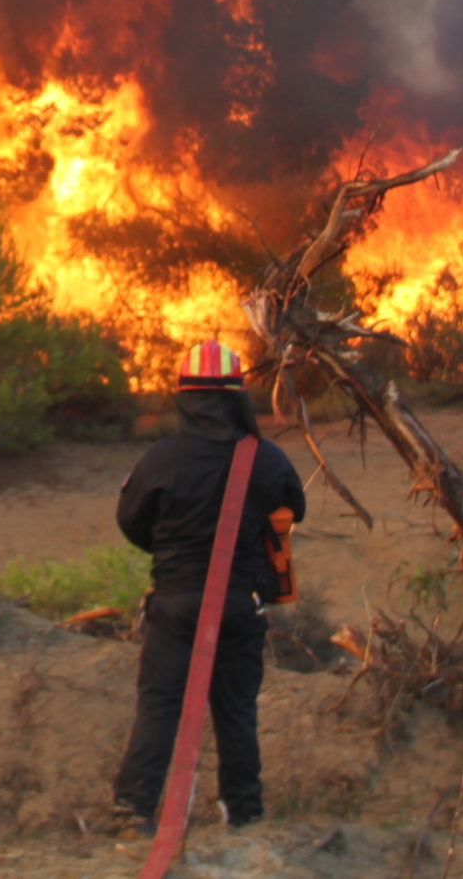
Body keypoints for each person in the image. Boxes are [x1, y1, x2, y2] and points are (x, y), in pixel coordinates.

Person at [110, 337, 308, 833]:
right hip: (242, 603)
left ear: (185, 396)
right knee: (236, 710)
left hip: (175, 602)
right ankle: (244, 812)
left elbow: (132, 522)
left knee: (159, 704)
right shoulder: (266, 459)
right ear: (236, 395)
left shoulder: (160, 458)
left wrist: (175, 555)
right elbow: (293, 511)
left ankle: (133, 808)